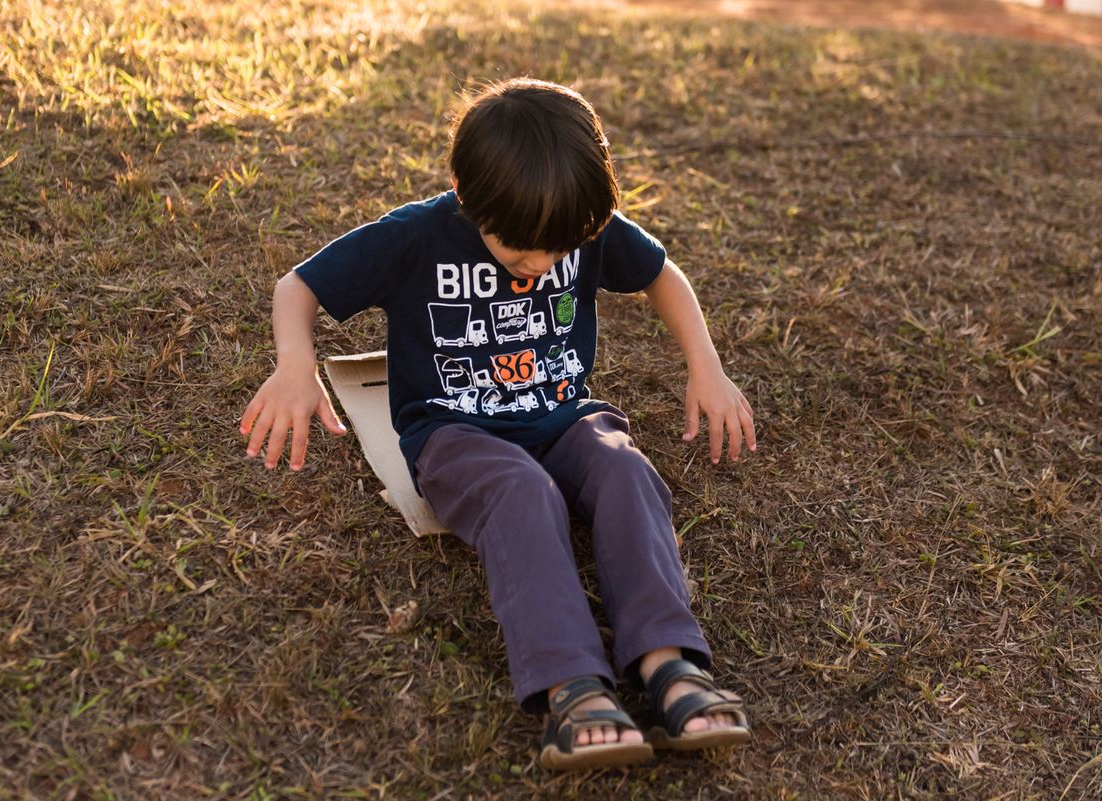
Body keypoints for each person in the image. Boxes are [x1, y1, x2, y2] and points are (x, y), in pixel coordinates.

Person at [240, 79, 756, 771]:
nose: (540, 265)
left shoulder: (579, 216)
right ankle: (572, 686)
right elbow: (297, 287)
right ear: (462, 190)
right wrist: (294, 365)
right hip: (457, 433)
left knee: (626, 466)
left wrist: (707, 366)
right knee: (523, 492)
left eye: (558, 250)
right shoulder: (416, 236)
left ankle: (671, 664)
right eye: (517, 254)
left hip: (564, 414)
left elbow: (662, 272)